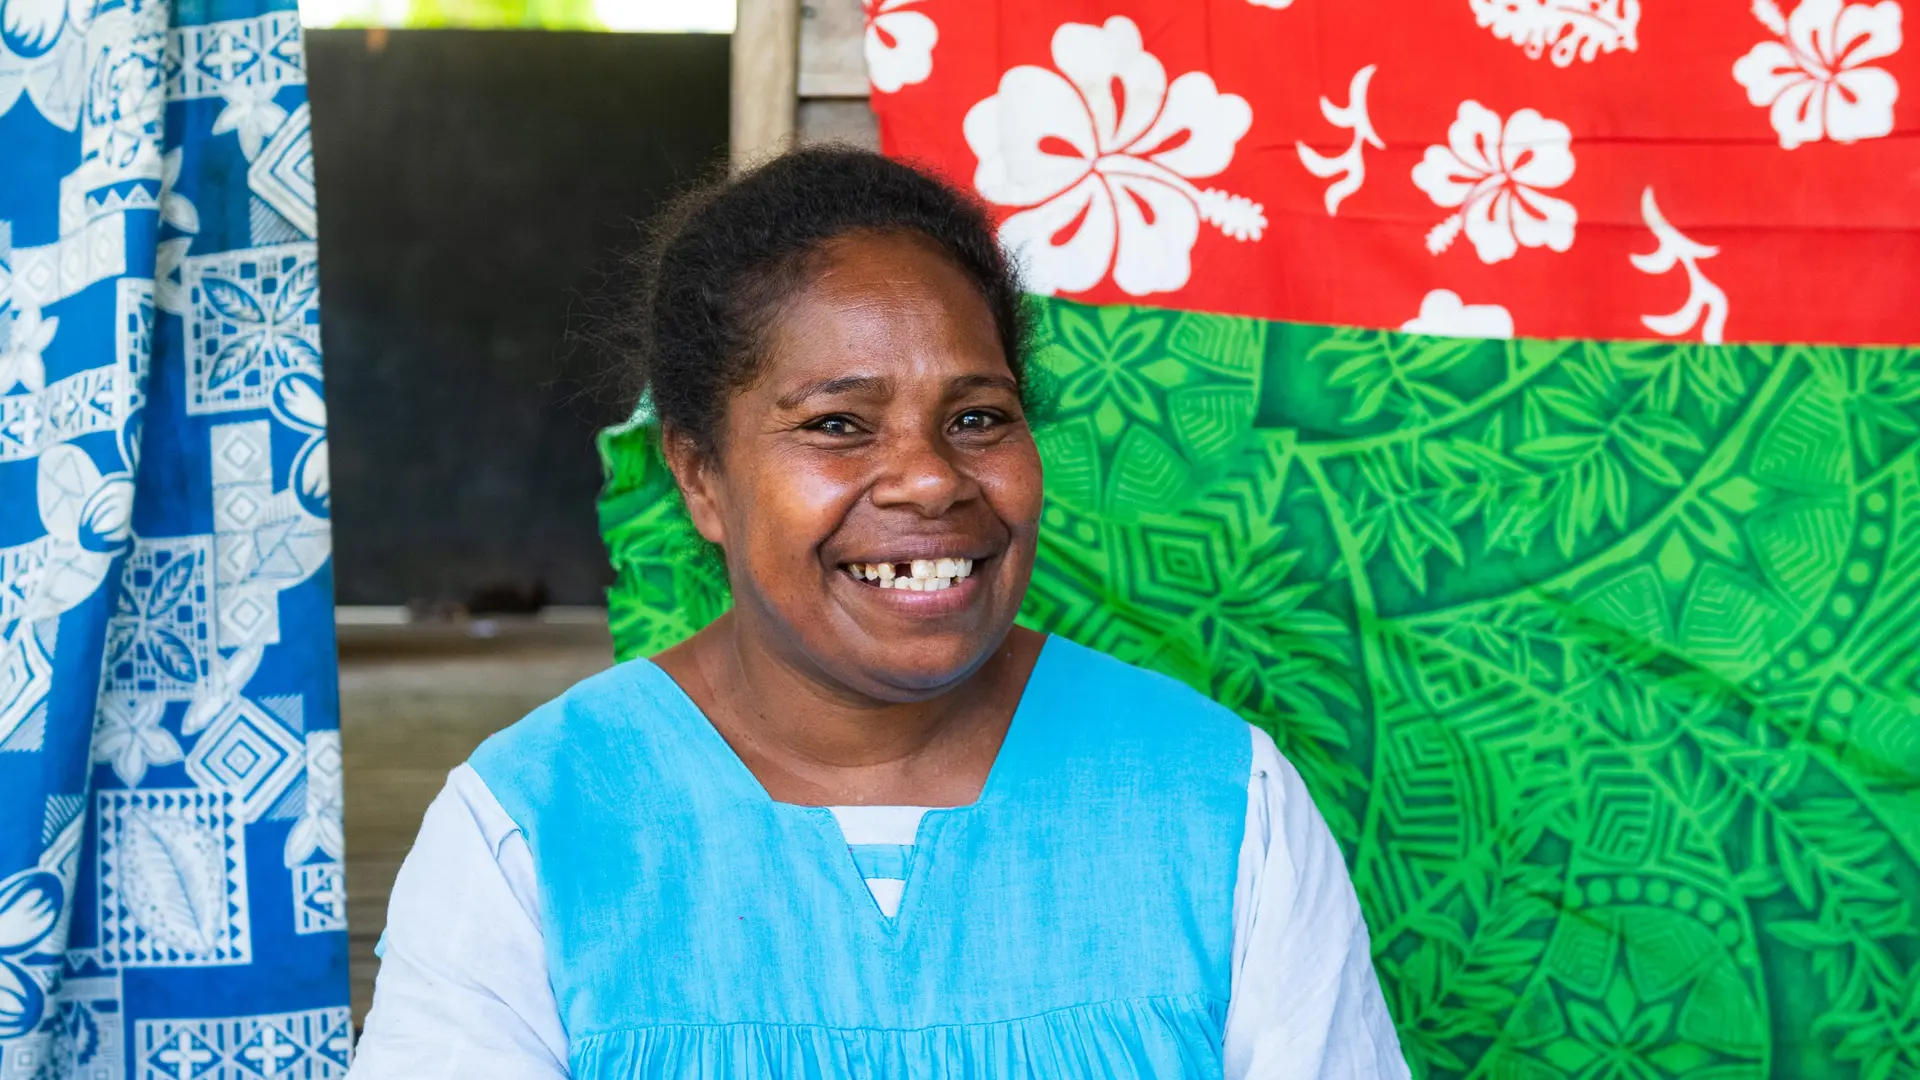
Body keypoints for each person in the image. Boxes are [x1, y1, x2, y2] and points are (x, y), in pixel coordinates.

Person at [349, 147, 1409, 1079]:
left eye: (978, 417)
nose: (928, 481)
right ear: (700, 475)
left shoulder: (1220, 802)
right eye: (840, 424)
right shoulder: (534, 829)